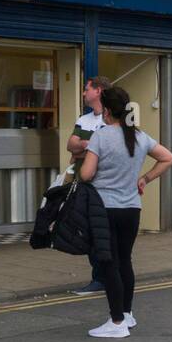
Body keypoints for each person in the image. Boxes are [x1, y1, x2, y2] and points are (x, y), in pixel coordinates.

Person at [77, 85, 172, 339]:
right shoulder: (140, 137)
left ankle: (117, 321)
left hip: (104, 208)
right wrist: (144, 178)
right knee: (125, 260)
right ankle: (127, 313)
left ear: (107, 110)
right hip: (131, 209)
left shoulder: (101, 136)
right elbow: (168, 158)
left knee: (108, 262)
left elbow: (86, 174)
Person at [66, 76, 111, 296]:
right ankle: (100, 277)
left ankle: (102, 278)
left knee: (100, 232)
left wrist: (82, 149)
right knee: (89, 231)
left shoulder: (112, 119)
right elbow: (70, 144)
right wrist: (86, 144)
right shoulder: (84, 119)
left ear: (99, 91)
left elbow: (108, 149)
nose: (84, 93)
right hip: (82, 183)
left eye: (87, 89)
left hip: (102, 184)